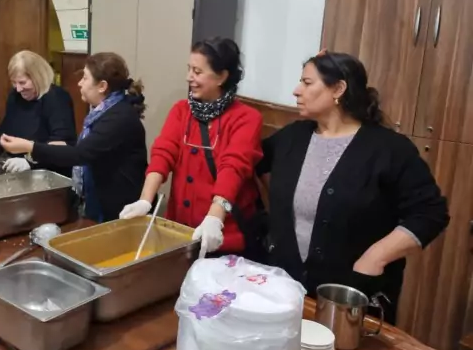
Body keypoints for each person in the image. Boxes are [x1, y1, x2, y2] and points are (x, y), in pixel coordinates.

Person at [257, 51, 449, 323]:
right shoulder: (292, 137)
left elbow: (431, 212)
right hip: (286, 288)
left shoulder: (389, 149)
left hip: (352, 295)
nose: (296, 90)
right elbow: (251, 162)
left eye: (307, 82)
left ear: (338, 89)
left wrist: (375, 257)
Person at [119, 37, 263, 258]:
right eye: (189, 69)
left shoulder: (246, 118)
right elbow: (163, 154)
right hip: (180, 233)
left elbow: (233, 168)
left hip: (222, 238)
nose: (189, 77)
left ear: (222, 77)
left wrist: (215, 218)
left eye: (197, 72)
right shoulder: (181, 110)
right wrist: (145, 199)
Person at [0, 52, 147, 222]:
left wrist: (30, 147)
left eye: (85, 78)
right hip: (101, 203)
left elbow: (79, 154)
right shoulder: (103, 111)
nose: (79, 83)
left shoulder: (118, 117)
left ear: (102, 86)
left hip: (119, 211)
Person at [0, 50, 76, 175]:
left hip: (50, 174)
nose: (18, 89)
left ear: (38, 77)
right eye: (14, 82)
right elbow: (6, 129)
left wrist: (30, 161)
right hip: (22, 173)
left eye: (22, 82)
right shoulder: (15, 96)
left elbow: (62, 145)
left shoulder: (57, 98)